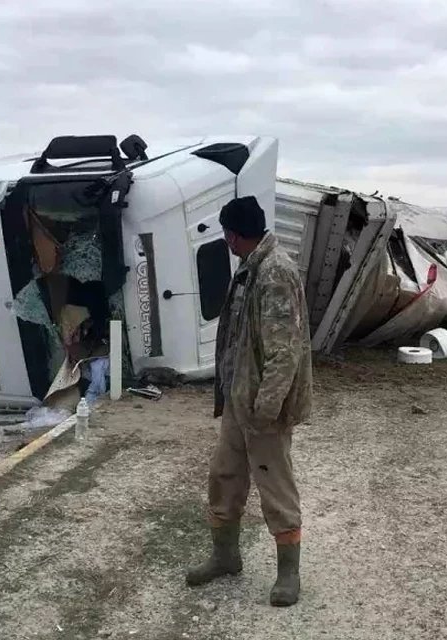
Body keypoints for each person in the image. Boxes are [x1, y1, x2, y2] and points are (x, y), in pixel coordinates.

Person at [186, 195, 314, 607]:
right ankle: (226, 557)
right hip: (240, 402)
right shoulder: (251, 267)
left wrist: (266, 408)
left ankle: (288, 576)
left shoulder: (274, 272)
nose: (225, 241)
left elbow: (284, 351)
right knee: (224, 477)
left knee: (275, 488)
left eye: (226, 234)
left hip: (262, 409)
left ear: (235, 234)